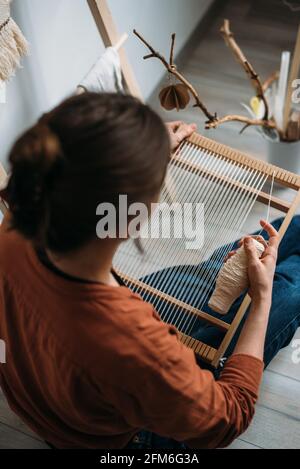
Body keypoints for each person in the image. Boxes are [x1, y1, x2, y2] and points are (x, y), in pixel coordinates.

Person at [0, 92, 299, 450]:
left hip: (58, 400)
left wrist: (142, 151)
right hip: (123, 442)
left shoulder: (18, 224)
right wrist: (261, 300)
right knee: (288, 288)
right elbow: (230, 415)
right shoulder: (131, 343)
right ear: (133, 216)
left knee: (238, 260)